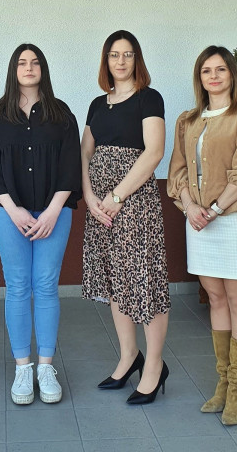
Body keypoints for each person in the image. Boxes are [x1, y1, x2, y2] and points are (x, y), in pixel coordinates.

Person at [167, 45, 237, 426]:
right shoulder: (188, 121)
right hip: (198, 221)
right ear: (199, 78)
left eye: (220, 69)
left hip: (235, 219)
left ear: (232, 75)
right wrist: (190, 208)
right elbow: (178, 172)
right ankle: (223, 384)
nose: (213, 76)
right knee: (215, 299)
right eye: (206, 70)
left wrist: (212, 209)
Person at [0, 44, 81, 405]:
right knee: (18, 286)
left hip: (55, 212)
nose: (29, 67)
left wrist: (52, 211)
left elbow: (71, 166)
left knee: (47, 286)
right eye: (22, 62)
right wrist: (14, 209)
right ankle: (23, 368)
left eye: (35, 62)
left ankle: (45, 368)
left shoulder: (61, 115)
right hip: (9, 214)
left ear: (43, 69)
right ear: (13, 69)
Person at [82, 30, 170, 405]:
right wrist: (90, 197)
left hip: (134, 203)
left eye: (128, 54)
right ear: (106, 60)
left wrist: (117, 196)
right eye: (114, 55)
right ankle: (128, 356)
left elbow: (154, 152)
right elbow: (85, 154)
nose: (121, 61)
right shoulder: (97, 105)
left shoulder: (149, 98)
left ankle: (154, 366)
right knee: (116, 281)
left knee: (144, 280)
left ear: (137, 59)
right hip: (100, 207)